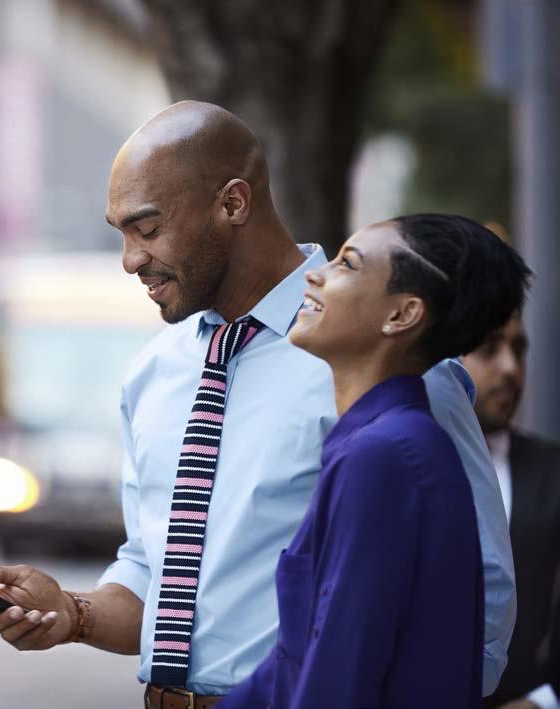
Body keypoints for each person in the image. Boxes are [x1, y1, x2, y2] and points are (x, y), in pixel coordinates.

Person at [0, 101, 515, 706]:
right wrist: (73, 613)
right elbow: (155, 572)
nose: (130, 261)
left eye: (147, 230)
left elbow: (477, 590)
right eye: (120, 235)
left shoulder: (392, 366)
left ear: (233, 203)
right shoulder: (154, 372)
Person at [218, 214, 531, 708]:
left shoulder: (385, 455)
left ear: (402, 315)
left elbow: (338, 674)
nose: (314, 274)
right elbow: (296, 656)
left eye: (347, 265)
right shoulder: (379, 441)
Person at [463, 314, 560, 709]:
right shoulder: (400, 460)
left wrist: (544, 699)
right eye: (489, 348)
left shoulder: (552, 472)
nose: (510, 368)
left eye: (519, 349)